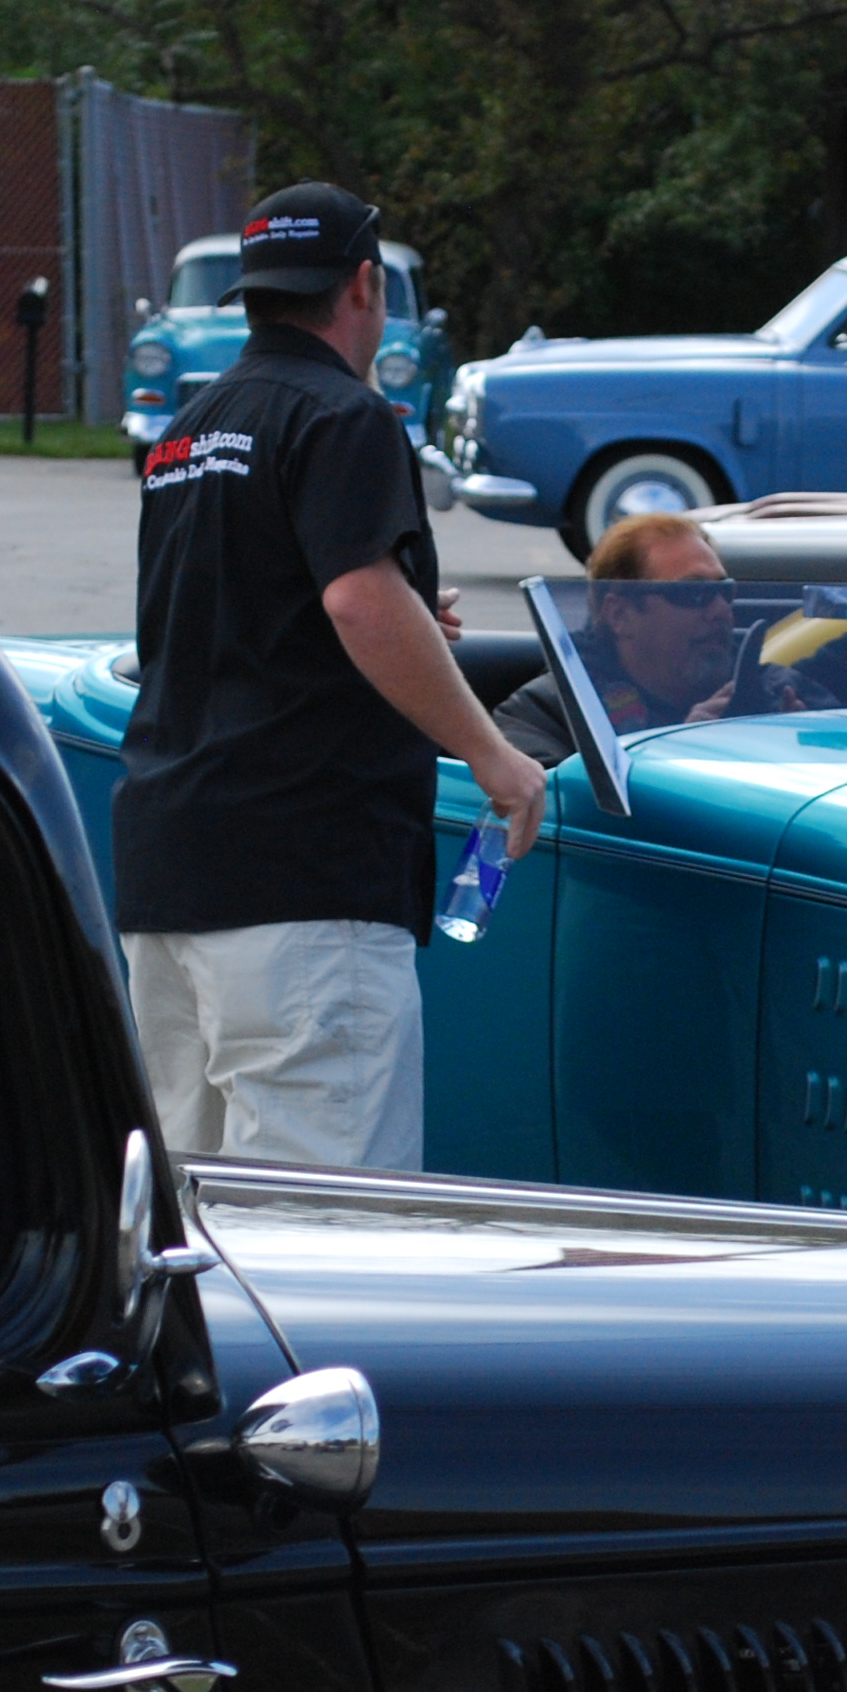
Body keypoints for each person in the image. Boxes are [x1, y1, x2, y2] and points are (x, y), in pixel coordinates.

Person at [113, 181, 547, 1169]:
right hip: (301, 880)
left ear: (251, 294)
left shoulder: (190, 431)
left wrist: (402, 617)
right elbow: (356, 601)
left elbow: (244, 609)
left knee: (196, 1212)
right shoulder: (345, 416)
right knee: (325, 1223)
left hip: (169, 874)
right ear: (362, 285)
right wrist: (495, 758)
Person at [495, 511, 749, 766]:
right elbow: (551, 789)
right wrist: (679, 749)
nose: (721, 610)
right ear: (620, 615)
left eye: (725, 590)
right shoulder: (546, 714)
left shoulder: (761, 687)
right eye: (694, 592)